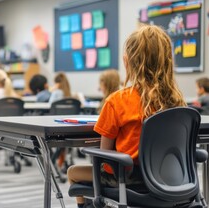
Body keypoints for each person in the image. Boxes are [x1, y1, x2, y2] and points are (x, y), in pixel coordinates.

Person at [67, 25, 186, 207]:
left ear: (127, 62)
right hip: (171, 180)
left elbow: (104, 155)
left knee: (72, 171)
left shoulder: (118, 101)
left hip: (128, 181)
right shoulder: (178, 103)